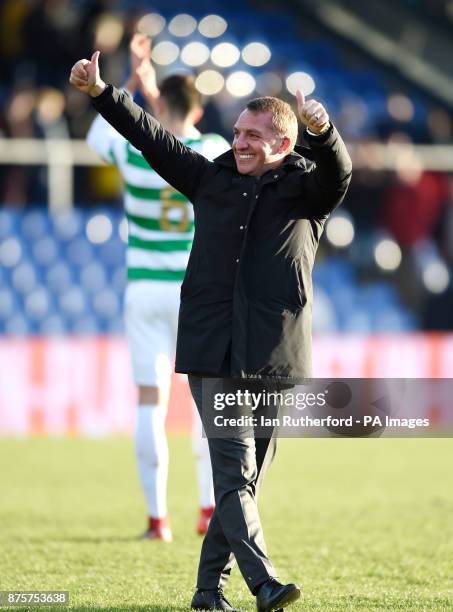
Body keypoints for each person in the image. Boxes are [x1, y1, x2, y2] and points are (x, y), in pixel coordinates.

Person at [70, 50, 352, 611]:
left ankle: (205, 593)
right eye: (238, 132)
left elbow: (340, 172)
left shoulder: (307, 191)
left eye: (252, 135)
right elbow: (152, 137)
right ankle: (265, 582)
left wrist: (325, 132)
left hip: (275, 355)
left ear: (283, 144)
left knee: (242, 484)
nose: (239, 142)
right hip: (212, 347)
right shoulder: (210, 178)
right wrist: (103, 92)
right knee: (233, 469)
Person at [86, 35, 230, 542]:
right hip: (195, 292)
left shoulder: (132, 150)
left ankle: (156, 520)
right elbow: (197, 139)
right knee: (204, 400)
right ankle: (209, 511)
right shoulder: (212, 150)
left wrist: (129, 87)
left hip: (144, 289)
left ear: (159, 103)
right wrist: (159, 99)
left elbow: (96, 137)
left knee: (149, 400)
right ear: (199, 107)